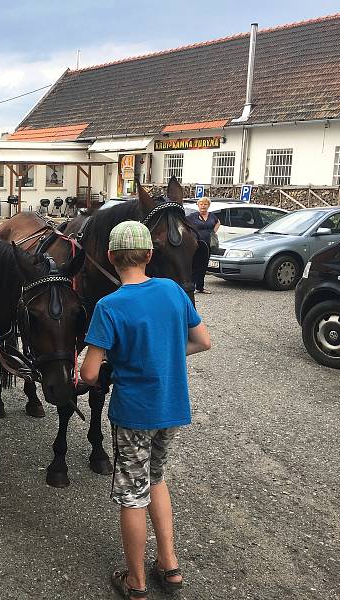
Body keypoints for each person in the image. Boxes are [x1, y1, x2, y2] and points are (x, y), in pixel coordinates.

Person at [80, 221, 211, 599]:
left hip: (134, 414)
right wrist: (164, 354)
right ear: (150, 256)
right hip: (170, 408)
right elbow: (202, 341)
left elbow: (90, 373)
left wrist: (97, 366)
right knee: (157, 478)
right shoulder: (171, 290)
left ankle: (136, 582)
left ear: (110, 257)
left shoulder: (109, 305)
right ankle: (169, 565)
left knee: (132, 494)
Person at [186, 197, 220, 294]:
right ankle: (192, 286)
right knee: (194, 265)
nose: (203, 206)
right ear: (198, 205)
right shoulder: (192, 216)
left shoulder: (212, 216)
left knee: (203, 266)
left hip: (208, 244)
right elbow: (184, 223)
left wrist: (213, 232)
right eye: (201, 204)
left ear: (208, 205)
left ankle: (200, 287)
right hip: (195, 244)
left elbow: (218, 222)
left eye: (205, 204)